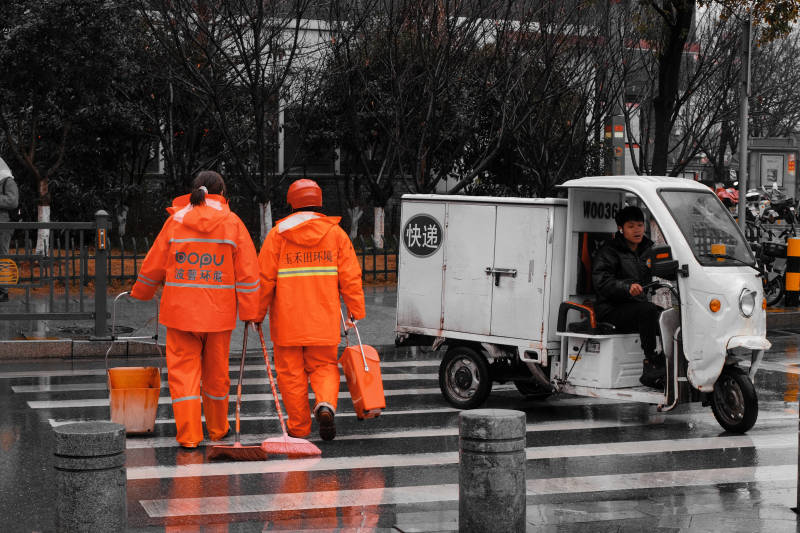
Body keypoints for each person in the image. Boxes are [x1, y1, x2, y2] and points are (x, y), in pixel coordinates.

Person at [130, 171, 260, 448]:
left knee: (183, 377)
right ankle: (217, 429)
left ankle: (189, 436)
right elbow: (248, 273)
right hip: (218, 315)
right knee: (216, 376)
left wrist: (142, 291)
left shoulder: (176, 221)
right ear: (222, 192)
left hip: (180, 313)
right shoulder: (232, 223)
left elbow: (155, 261)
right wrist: (251, 312)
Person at [257, 178, 365, 441]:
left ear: (291, 203)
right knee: (325, 366)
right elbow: (350, 276)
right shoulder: (335, 234)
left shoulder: (277, 236)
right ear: (319, 202)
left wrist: (255, 313)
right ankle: (325, 403)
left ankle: (298, 428)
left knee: (291, 375)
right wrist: (355, 310)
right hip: (323, 321)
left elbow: (264, 280)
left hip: (287, 324)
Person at [591, 205, 665, 388]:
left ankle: (666, 363)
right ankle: (650, 364)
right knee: (647, 310)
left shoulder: (647, 250)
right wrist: (626, 287)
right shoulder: (609, 251)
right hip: (611, 310)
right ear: (621, 229)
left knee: (668, 318)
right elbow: (602, 282)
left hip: (636, 308)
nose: (637, 230)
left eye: (640, 225)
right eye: (631, 226)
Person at [0, 158, 19, 303]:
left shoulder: (8, 181)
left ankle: (3, 291)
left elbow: (13, 201)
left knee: (2, 255)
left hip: (4, 225)